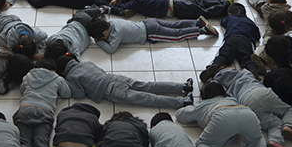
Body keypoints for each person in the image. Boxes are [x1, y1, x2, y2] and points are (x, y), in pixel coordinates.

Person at [210, 67, 292, 147]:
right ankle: (289, 126)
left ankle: (275, 141)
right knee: (288, 109)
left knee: (274, 123)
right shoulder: (244, 73)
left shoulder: (226, 89)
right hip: (262, 93)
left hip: (247, 104)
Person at [13, 59, 73, 147]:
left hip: (25, 109)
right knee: (41, 140)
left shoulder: (29, 75)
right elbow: (67, 93)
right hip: (44, 111)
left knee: (23, 140)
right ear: (53, 70)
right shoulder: (57, 78)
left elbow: (22, 89)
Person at [56, 53, 194, 109]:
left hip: (110, 91)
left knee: (148, 99)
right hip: (115, 78)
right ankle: (183, 87)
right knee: (149, 86)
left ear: (62, 71)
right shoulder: (85, 63)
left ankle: (182, 102)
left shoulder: (71, 77)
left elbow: (79, 94)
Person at [87, 15, 218, 53]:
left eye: (103, 36)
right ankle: (196, 22)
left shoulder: (116, 34)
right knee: (174, 25)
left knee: (176, 35)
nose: (105, 38)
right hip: (148, 22)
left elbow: (111, 49)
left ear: (105, 32)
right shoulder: (113, 22)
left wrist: (100, 42)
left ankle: (201, 31)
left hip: (150, 33)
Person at [200, 3, 263, 77]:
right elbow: (257, 36)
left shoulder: (230, 18)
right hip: (246, 40)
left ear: (229, 13)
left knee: (224, 55)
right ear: (245, 14)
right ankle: (252, 70)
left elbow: (223, 22)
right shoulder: (250, 22)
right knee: (247, 58)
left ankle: (216, 65)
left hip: (231, 38)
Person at [110, 0, 231, 20]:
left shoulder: (137, 1)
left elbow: (124, 7)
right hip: (176, 0)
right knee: (201, 4)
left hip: (177, 9)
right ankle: (224, 2)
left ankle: (226, 7)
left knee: (204, 12)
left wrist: (118, 3)